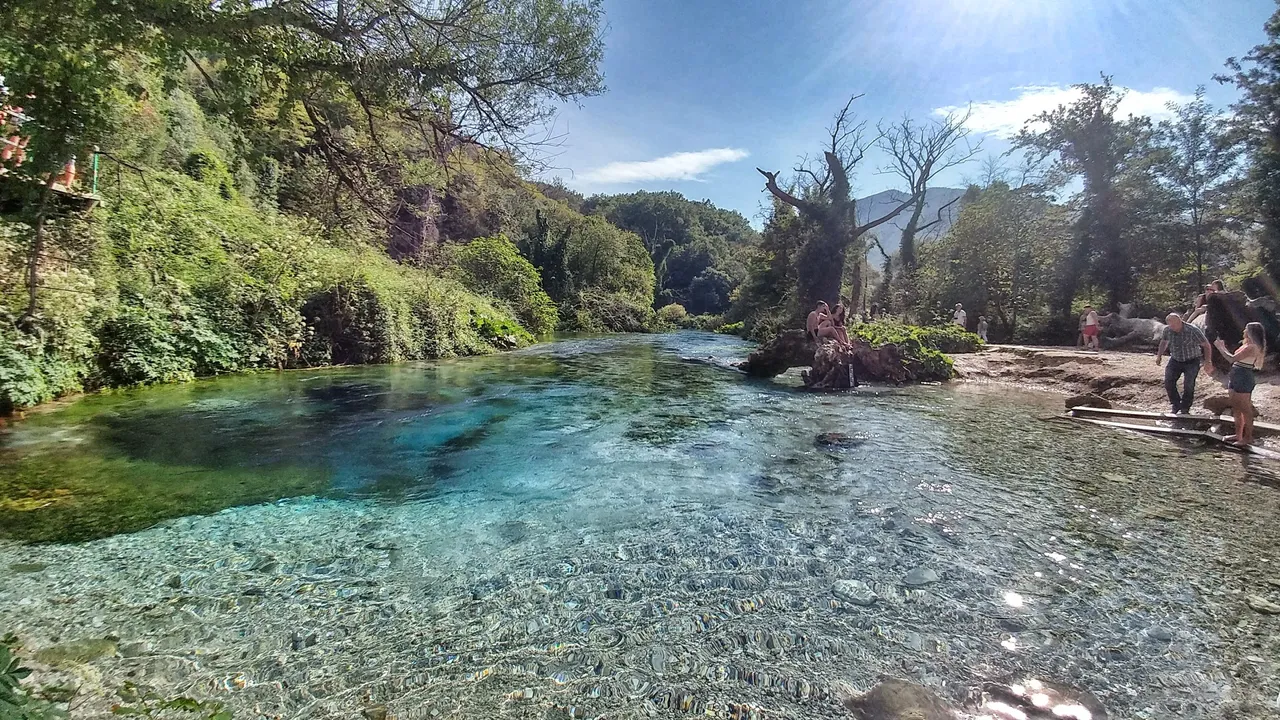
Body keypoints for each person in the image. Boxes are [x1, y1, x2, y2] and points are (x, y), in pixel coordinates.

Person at [1213, 322, 1266, 446]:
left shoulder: (1252, 347)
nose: (1244, 331)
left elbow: (1232, 358)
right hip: (1236, 374)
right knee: (1236, 407)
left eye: (1246, 329)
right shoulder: (1246, 344)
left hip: (1243, 376)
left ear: (1251, 331)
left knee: (1245, 408)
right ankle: (1238, 434)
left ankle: (1248, 438)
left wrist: (1220, 347)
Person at [1156, 312, 1213, 415]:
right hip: (1175, 359)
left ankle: (1185, 407)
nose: (1172, 327)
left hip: (1192, 360)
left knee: (1189, 385)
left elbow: (1206, 345)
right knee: (1169, 382)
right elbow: (1164, 342)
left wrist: (1208, 361)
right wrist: (1159, 355)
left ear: (1180, 321)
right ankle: (1175, 404)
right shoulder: (1167, 330)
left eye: (1174, 325)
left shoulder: (1192, 330)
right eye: (1170, 325)